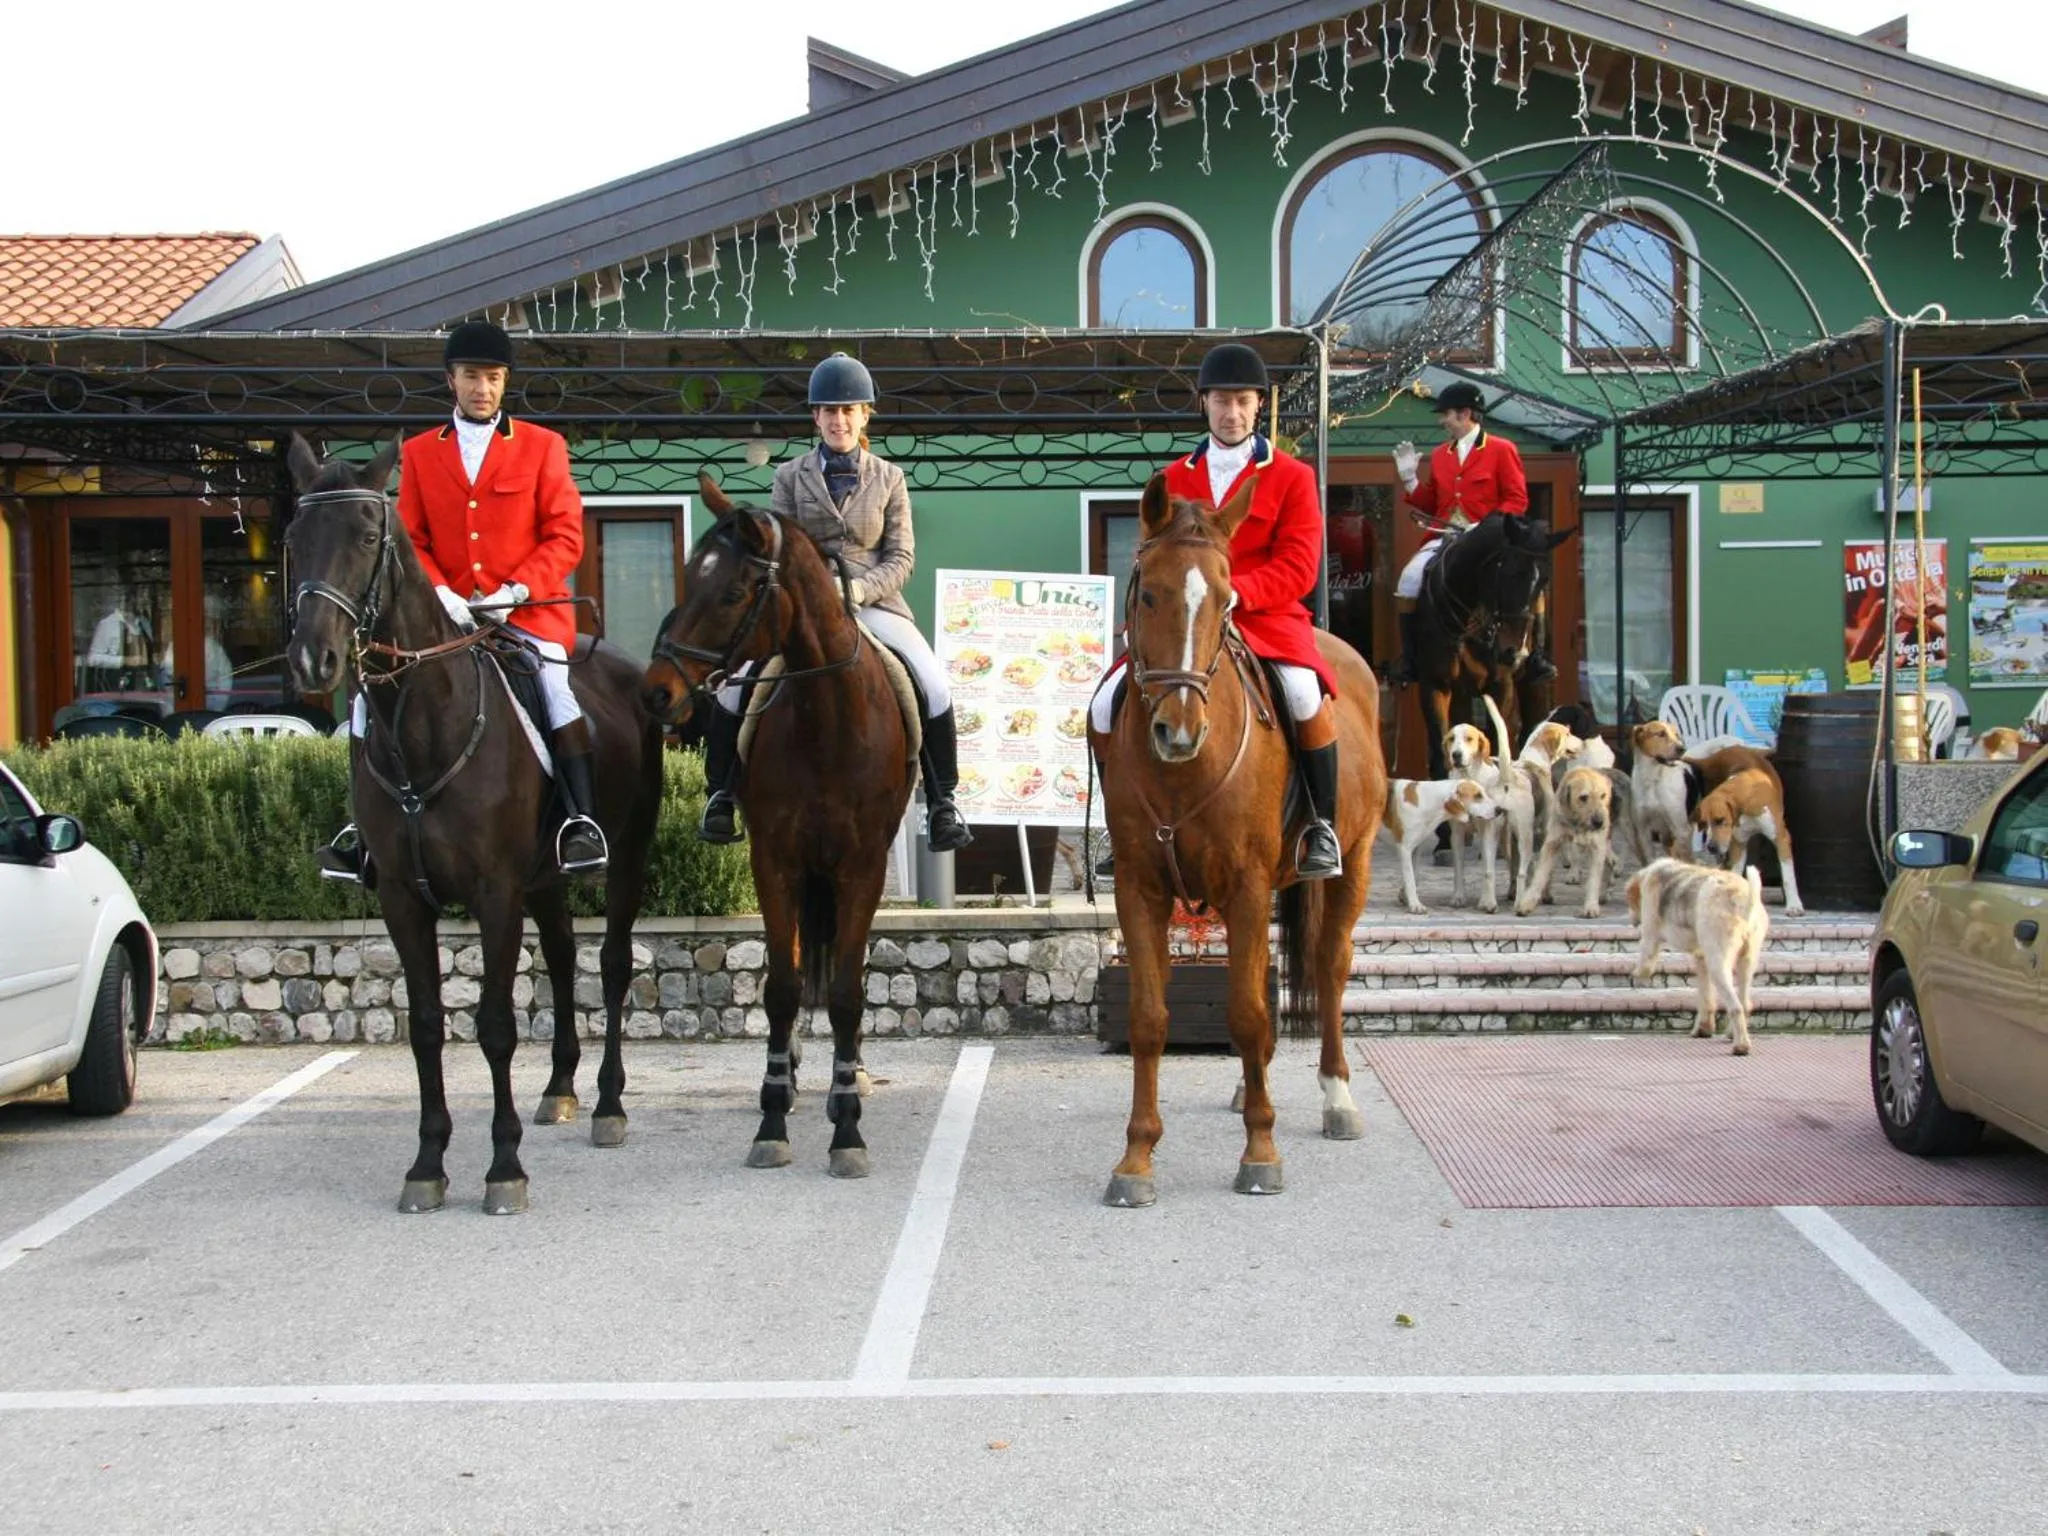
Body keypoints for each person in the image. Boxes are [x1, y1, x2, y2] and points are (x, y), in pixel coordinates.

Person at [316, 321, 608, 882]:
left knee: (556, 690)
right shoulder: (422, 454)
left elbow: (565, 534)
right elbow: (411, 537)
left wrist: (513, 592)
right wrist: (442, 591)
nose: (483, 388)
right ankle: (363, 835)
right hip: (439, 617)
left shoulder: (543, 447)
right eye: (472, 376)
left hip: (525, 612)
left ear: (505, 383)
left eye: (493, 378)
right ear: (452, 380)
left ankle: (580, 822)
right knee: (363, 701)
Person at [696, 352, 973, 853]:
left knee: (932, 682)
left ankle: (943, 801)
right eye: (828, 411)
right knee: (736, 685)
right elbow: (777, 548)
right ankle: (720, 795)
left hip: (875, 604)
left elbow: (902, 557)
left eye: (848, 411)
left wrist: (857, 591)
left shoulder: (889, 478)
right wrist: (816, 594)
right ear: (815, 418)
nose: (838, 420)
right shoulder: (789, 476)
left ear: (865, 415)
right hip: (805, 609)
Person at [1087, 341, 1343, 880]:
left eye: (1243, 401)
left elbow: (1301, 565)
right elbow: (1153, 558)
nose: (1232, 413)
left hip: (1264, 617)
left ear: (1258, 407)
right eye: (1222, 401)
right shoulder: (1172, 478)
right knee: (1104, 704)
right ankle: (1120, 826)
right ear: (1204, 404)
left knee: (1302, 693)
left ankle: (1322, 825)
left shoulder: (1291, 476)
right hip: (1183, 624)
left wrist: (1238, 593)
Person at [1388, 381, 1553, 685]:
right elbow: (1432, 503)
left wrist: (1487, 526)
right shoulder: (1440, 454)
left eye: (1446, 415)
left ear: (1465, 414)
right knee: (1408, 580)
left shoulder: (1502, 449)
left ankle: (1538, 656)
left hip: (1491, 540)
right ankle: (1410, 658)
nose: (1442, 421)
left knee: (1525, 581)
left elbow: (1517, 499)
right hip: (1447, 537)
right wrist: (1410, 479)